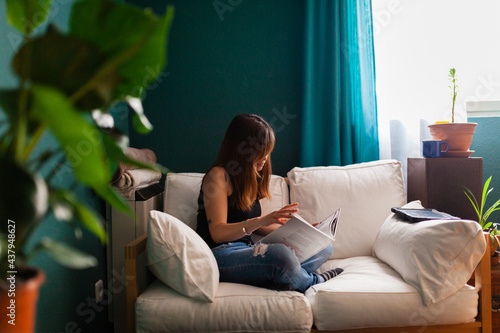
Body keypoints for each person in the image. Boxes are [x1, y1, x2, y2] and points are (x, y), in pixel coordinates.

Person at [196, 113, 342, 292]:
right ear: (242, 149)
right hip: (220, 254)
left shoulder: (252, 177)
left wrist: (303, 232)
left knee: (323, 247)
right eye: (260, 150)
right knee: (280, 255)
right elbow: (218, 232)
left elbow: (260, 228)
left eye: (267, 150)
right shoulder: (218, 176)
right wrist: (261, 220)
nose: (265, 156)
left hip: (249, 250)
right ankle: (312, 281)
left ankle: (283, 277)